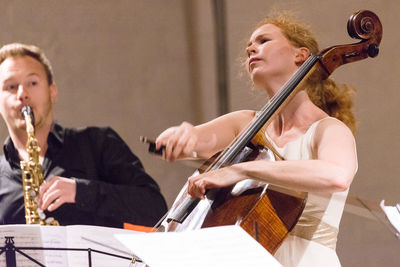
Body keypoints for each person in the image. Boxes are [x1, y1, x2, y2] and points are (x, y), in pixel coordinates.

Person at [155, 12, 357, 267]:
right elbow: (195, 142)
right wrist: (184, 136)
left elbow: (336, 175)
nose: (251, 47)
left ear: (301, 55)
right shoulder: (245, 123)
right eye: (249, 45)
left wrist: (242, 171)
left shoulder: (329, 130)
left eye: (263, 41)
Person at [0, 43, 167, 228]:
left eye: (32, 83)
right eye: (11, 86)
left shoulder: (97, 144)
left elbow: (155, 209)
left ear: (52, 92)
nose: (22, 94)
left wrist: (82, 192)